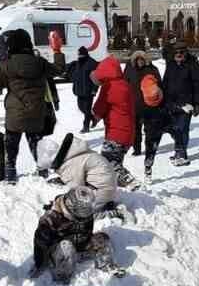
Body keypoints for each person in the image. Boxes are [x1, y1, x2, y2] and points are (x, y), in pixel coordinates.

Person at [0, 29, 53, 180]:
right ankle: (43, 171)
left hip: (15, 113)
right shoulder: (40, 62)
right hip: (36, 112)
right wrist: (57, 50)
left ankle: (10, 171)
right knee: (36, 142)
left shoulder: (8, 64)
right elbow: (59, 69)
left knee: (11, 144)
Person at [32, 185, 120, 286]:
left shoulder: (85, 210)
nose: (86, 214)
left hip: (80, 245)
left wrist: (115, 213)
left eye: (87, 210)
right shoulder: (51, 218)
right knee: (67, 246)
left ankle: (105, 265)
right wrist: (39, 264)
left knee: (102, 238)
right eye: (83, 211)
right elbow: (40, 243)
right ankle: (62, 277)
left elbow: (98, 214)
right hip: (60, 255)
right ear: (71, 206)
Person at [91, 53, 140, 185]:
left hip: (116, 134)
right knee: (113, 165)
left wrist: (94, 117)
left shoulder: (109, 86)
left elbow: (99, 108)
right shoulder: (125, 84)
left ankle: (131, 184)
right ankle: (120, 193)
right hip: (127, 133)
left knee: (108, 165)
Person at [38, 131, 120, 207]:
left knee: (71, 209)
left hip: (102, 191)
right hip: (105, 187)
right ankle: (103, 203)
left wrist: (59, 204)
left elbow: (75, 188)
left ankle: (109, 212)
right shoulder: (73, 153)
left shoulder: (70, 164)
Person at [162, 43, 199, 166]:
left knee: (183, 128)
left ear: (186, 52)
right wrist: (163, 99)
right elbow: (166, 82)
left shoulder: (193, 64)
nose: (179, 54)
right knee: (175, 128)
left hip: (187, 103)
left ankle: (181, 153)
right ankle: (178, 151)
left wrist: (197, 103)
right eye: (176, 52)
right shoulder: (171, 64)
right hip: (172, 103)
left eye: (181, 52)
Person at [130, 51, 170, 180]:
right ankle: (136, 149)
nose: (140, 62)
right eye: (138, 60)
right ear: (135, 61)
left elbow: (160, 86)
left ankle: (148, 149)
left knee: (149, 131)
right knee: (135, 129)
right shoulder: (130, 70)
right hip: (135, 105)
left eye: (142, 59)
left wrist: (160, 101)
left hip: (151, 107)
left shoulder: (152, 70)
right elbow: (126, 84)